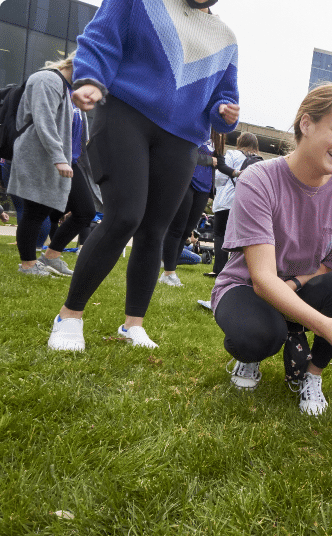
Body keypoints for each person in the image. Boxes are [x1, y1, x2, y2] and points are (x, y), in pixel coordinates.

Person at [47, 0, 240, 351]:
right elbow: (101, 38)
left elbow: (224, 97)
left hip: (182, 138)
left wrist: (225, 113)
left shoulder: (226, 38)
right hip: (124, 112)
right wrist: (90, 78)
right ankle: (69, 315)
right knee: (124, 217)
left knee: (155, 231)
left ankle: (132, 325)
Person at [211, 83, 332, 416]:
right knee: (259, 335)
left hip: (300, 287)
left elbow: (331, 265)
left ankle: (313, 374)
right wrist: (325, 326)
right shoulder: (260, 179)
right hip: (247, 288)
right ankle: (250, 355)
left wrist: (295, 284)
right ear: (306, 124)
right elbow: (263, 279)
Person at [7, 54, 96, 278]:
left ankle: (51, 256)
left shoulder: (70, 91)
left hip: (66, 161)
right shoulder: (47, 80)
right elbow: (43, 120)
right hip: (41, 157)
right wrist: (58, 157)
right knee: (36, 212)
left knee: (85, 211)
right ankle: (28, 265)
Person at [159, 131, 234, 287]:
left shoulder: (218, 137)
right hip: (187, 181)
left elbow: (219, 163)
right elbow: (185, 153)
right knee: (177, 228)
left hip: (204, 188)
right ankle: (168, 272)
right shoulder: (197, 127)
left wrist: (236, 173)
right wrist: (208, 160)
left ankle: (170, 270)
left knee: (187, 231)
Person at [206, 130, 258, 278]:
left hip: (226, 201)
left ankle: (219, 270)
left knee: (220, 235)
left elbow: (220, 178)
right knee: (240, 238)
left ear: (240, 142)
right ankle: (236, 272)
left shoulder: (232, 155)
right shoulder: (258, 160)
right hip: (246, 203)